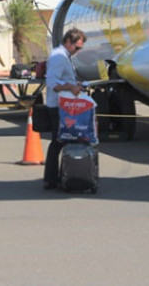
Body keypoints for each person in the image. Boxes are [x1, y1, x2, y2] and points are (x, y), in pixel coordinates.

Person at [43, 27, 86, 190]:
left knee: (60, 141)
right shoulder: (59, 57)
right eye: (77, 47)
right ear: (68, 42)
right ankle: (52, 179)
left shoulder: (63, 56)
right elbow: (52, 83)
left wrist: (75, 85)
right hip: (59, 106)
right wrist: (70, 87)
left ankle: (56, 177)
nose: (77, 51)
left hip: (63, 104)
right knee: (59, 142)